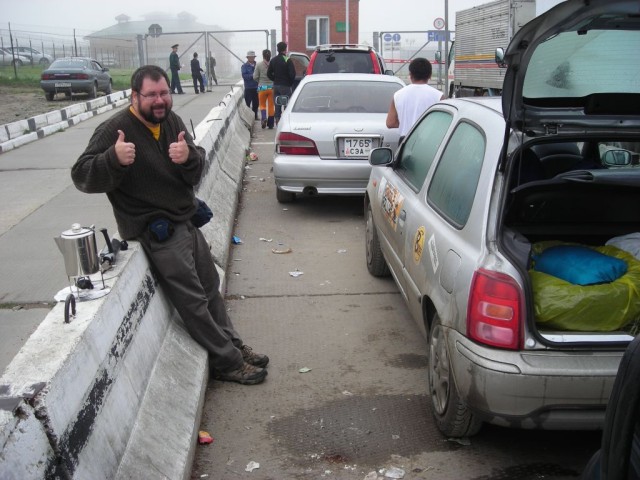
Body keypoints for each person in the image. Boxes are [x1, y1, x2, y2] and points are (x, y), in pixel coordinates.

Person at [70, 65, 269, 385]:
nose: (160, 100)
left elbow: (196, 170)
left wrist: (188, 157)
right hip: (156, 231)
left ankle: (233, 344)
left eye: (164, 93)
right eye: (151, 95)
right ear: (135, 96)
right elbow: (81, 175)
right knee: (193, 303)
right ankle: (227, 362)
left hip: (185, 220)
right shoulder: (115, 130)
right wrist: (113, 159)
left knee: (210, 291)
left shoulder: (171, 122)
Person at [386, 57, 444, 138]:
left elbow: (390, 123)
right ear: (430, 75)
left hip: (406, 142)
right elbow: (443, 124)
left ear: (410, 74)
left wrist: (406, 123)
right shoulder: (439, 96)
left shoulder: (397, 95)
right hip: (429, 142)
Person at [267, 41, 296, 125]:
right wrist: (290, 83)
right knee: (287, 103)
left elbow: (268, 73)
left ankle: (277, 120)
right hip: (285, 85)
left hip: (276, 85)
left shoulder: (273, 60)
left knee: (277, 103)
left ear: (277, 49)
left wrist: (275, 79)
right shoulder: (287, 59)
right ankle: (286, 121)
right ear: (285, 49)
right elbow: (292, 74)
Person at [253, 49, 275, 129]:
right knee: (271, 105)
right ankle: (271, 123)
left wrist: (259, 82)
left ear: (263, 56)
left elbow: (255, 77)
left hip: (262, 87)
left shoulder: (258, 65)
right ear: (270, 55)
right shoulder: (273, 64)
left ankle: (263, 118)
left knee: (262, 105)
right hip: (271, 88)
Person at [241, 51, 259, 120]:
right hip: (248, 88)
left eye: (253, 57)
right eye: (250, 57)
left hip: (257, 87)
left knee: (256, 103)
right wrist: (253, 75)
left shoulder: (258, 65)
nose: (251, 58)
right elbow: (245, 76)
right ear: (248, 58)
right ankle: (248, 118)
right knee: (247, 103)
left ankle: (255, 116)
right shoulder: (244, 66)